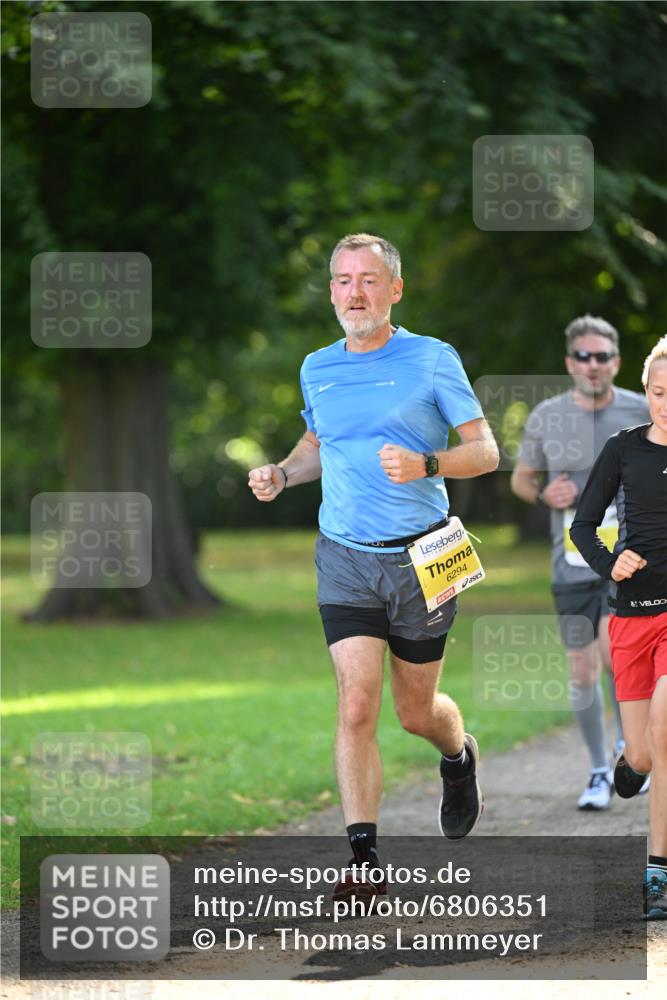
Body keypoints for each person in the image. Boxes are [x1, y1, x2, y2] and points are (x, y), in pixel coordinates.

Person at [248, 233, 499, 902]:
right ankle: (364, 859)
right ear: (331, 290)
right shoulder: (317, 367)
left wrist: (427, 464)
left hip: (425, 557)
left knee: (416, 712)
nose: (354, 292)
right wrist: (283, 472)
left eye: (368, 280)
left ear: (395, 289)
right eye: (342, 280)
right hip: (344, 557)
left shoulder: (431, 359)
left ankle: (458, 756)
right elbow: (317, 442)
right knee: (357, 702)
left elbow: (485, 452)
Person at [511, 316, 649, 810]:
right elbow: (522, 479)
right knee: (582, 670)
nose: (593, 365)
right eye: (584, 356)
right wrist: (544, 493)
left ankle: (627, 748)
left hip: (627, 559)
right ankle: (597, 770)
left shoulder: (642, 409)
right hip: (570, 564)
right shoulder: (547, 415)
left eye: (602, 356)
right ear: (570, 362)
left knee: (615, 656)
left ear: (617, 361)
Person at [569, 335, 667, 919]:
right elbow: (582, 527)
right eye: (658, 392)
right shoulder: (622, 449)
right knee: (646, 754)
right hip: (632, 614)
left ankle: (659, 871)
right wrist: (611, 563)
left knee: (666, 725)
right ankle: (631, 763)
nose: (666, 404)